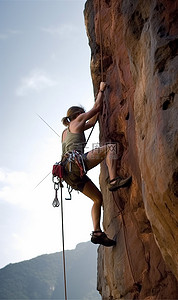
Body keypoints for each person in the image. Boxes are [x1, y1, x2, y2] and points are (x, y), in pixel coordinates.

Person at [61, 82, 131, 247]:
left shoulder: (66, 131)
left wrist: (96, 113)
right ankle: (113, 180)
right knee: (110, 148)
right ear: (78, 114)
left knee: (98, 198)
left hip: (68, 174)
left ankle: (97, 232)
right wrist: (100, 91)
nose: (84, 114)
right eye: (82, 113)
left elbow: (91, 122)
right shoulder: (77, 120)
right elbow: (97, 107)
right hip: (75, 164)